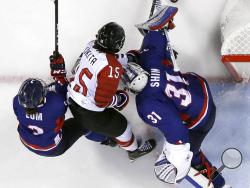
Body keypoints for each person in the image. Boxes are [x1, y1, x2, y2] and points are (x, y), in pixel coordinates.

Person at [122, 5, 226, 187]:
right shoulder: (149, 57)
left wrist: (177, 162)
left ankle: (218, 182)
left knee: (191, 152)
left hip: (202, 116)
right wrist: (160, 25)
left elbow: (179, 135)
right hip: (197, 87)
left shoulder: (146, 106)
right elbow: (158, 26)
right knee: (167, 68)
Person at [67, 22, 156, 161]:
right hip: (90, 113)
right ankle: (133, 152)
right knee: (123, 128)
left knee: (100, 127)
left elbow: (103, 58)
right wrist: (120, 99)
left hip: (72, 99)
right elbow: (102, 102)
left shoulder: (90, 45)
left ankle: (108, 139)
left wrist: (127, 59)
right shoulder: (111, 68)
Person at [13, 53, 115, 157]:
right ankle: (107, 138)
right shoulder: (56, 105)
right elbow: (66, 91)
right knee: (84, 124)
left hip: (26, 140)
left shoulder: (17, 102)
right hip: (53, 148)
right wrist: (58, 73)